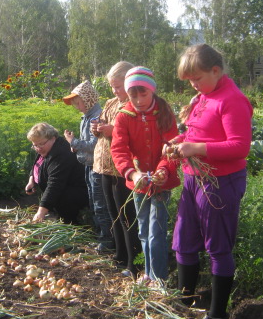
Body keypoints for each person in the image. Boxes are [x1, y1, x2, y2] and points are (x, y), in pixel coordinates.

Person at [164, 44, 252, 319]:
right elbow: (194, 132)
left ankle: (216, 316)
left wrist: (196, 148)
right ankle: (184, 302)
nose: (193, 85)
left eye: (197, 78)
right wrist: (179, 142)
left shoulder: (232, 100)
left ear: (216, 71)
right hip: (194, 177)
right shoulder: (203, 96)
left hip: (220, 182)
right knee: (184, 238)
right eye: (189, 80)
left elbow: (240, 146)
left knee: (217, 245)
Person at [111, 67, 180, 285]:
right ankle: (149, 274)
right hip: (138, 183)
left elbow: (172, 145)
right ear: (127, 93)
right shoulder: (124, 116)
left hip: (161, 182)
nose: (139, 100)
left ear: (152, 91)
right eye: (134, 95)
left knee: (156, 231)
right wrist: (132, 173)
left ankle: (159, 279)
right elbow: (119, 149)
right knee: (143, 230)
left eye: (144, 94)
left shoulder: (164, 112)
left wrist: (163, 169)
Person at [91, 61, 142, 277]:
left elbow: (136, 135)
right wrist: (96, 128)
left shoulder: (135, 105)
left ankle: (133, 263)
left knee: (127, 216)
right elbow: (101, 127)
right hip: (104, 166)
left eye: (118, 86)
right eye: (112, 86)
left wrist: (112, 130)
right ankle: (120, 256)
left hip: (123, 169)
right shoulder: (111, 103)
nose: (115, 91)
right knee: (113, 214)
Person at [62, 80, 113, 252]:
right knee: (93, 201)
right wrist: (75, 145)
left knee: (100, 204)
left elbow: (93, 145)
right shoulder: (86, 116)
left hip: (98, 167)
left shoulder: (96, 116)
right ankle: (100, 236)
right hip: (88, 165)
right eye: (75, 104)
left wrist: (73, 141)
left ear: (89, 99)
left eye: (78, 102)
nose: (77, 106)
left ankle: (107, 241)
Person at [25, 122, 88, 224]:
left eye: (41, 144)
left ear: (53, 138)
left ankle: (74, 226)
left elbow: (55, 184)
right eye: (35, 145)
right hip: (61, 193)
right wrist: (31, 179)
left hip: (75, 194)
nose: (38, 148)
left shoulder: (61, 153)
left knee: (65, 206)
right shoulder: (46, 150)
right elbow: (38, 164)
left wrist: (41, 213)